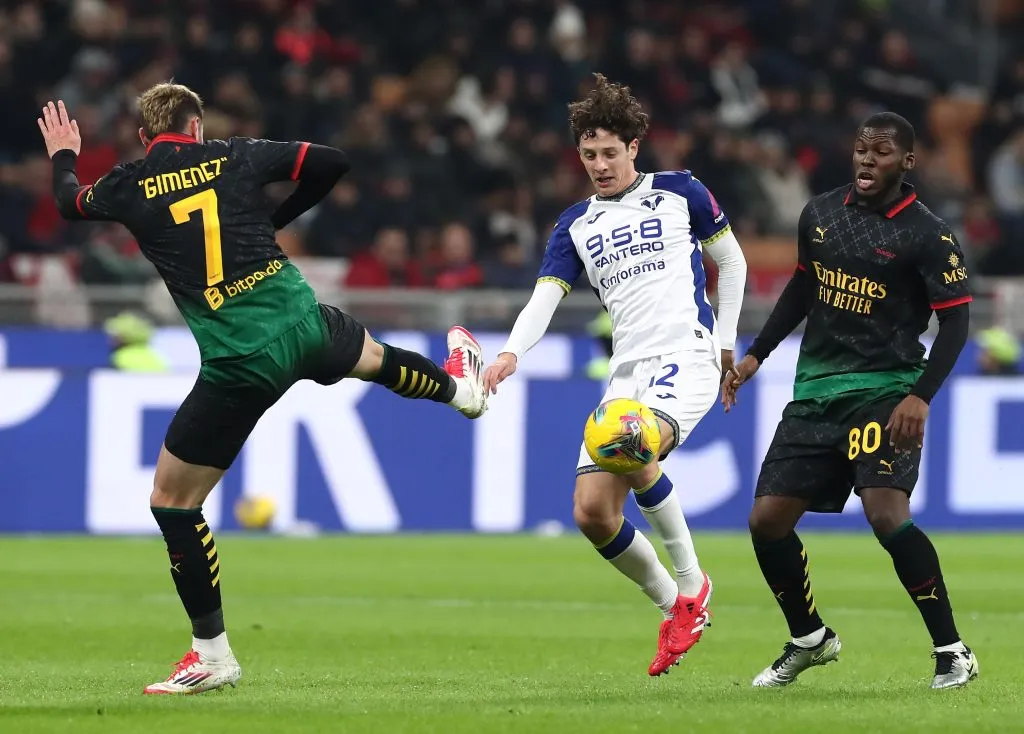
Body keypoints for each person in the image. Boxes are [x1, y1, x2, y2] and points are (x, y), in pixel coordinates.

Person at [38, 86, 487, 695]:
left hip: (241, 359)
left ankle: (212, 654)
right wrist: (276, 217)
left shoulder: (130, 182)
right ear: (195, 125)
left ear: (146, 138)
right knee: (373, 358)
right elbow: (331, 161)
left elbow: (68, 203)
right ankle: (462, 392)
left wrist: (65, 154)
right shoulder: (232, 156)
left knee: (173, 501)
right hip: (302, 321)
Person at [483, 74, 747, 677]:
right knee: (592, 512)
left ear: (633, 147)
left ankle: (693, 584)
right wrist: (511, 354)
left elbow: (730, 262)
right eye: (588, 154)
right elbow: (544, 298)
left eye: (609, 152)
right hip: (627, 373)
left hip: (687, 355)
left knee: (630, 442)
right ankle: (672, 606)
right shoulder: (574, 224)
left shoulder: (681, 192)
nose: (599, 165)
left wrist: (727, 341)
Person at [722, 112, 978, 690]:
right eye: (862, 148)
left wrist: (920, 396)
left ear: (906, 163)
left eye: (882, 152)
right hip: (815, 392)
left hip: (886, 391)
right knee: (766, 522)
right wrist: (755, 355)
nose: (867, 159)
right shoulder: (820, 214)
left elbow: (956, 327)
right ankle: (810, 638)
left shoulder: (927, 234)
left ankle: (952, 650)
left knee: (886, 513)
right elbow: (804, 286)